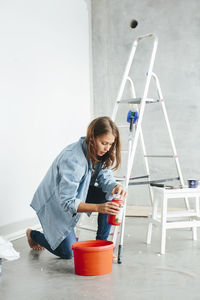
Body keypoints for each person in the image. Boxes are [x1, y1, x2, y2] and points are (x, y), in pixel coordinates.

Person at [26, 116, 127, 259]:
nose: (107, 148)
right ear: (92, 137)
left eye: (110, 144)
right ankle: (33, 234)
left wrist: (115, 186)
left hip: (78, 193)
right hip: (55, 202)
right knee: (67, 253)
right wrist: (98, 207)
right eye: (104, 143)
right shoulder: (74, 159)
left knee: (110, 196)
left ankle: (101, 246)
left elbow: (105, 176)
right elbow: (66, 201)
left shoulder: (100, 152)